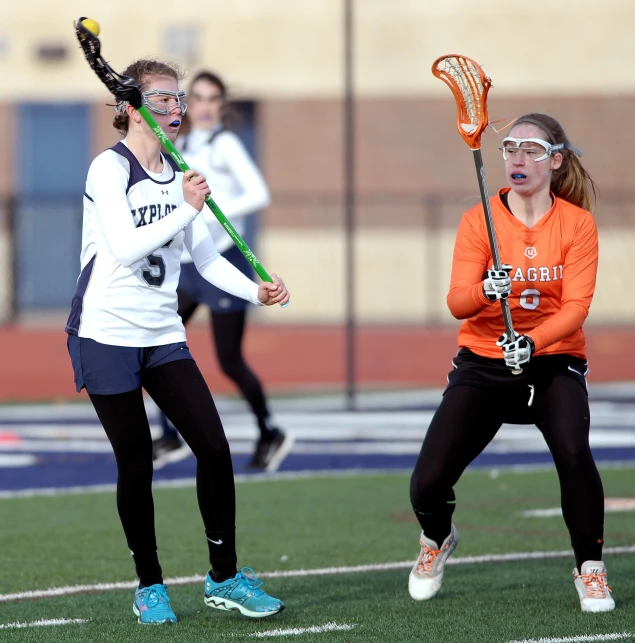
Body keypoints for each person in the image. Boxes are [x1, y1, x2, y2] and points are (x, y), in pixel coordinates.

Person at [65, 59, 290, 625]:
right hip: (106, 333)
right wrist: (184, 206)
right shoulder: (107, 170)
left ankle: (224, 576)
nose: (176, 109)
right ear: (130, 106)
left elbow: (206, 258)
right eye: (162, 98)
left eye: (179, 99)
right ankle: (150, 585)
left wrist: (254, 288)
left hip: (164, 333)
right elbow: (123, 244)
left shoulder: (179, 172)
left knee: (213, 447)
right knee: (136, 460)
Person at [408, 113, 614, 613]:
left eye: (531, 150)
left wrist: (534, 341)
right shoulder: (478, 220)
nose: (517, 158)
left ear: (556, 161)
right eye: (510, 149)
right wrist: (485, 290)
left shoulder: (577, 224)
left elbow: (576, 308)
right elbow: (457, 302)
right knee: (427, 483)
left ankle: (590, 568)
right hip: (483, 360)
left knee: (573, 451)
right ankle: (437, 538)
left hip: (552, 360)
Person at [152, 70, 292, 472]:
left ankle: (270, 431)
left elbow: (258, 193)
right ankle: (169, 434)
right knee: (157, 340)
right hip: (188, 264)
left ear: (222, 105)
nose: (205, 106)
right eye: (197, 98)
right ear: (186, 104)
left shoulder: (224, 143)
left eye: (213, 99)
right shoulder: (181, 144)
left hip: (222, 259)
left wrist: (211, 215)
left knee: (229, 360)